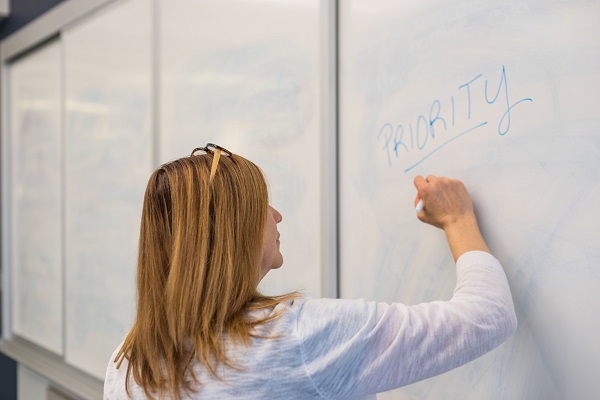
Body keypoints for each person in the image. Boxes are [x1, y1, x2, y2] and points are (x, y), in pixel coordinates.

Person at [104, 143, 517, 400]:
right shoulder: (298, 338)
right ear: (235, 229)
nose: (277, 215)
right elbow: (487, 316)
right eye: (263, 205)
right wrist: (459, 219)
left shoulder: (130, 359)